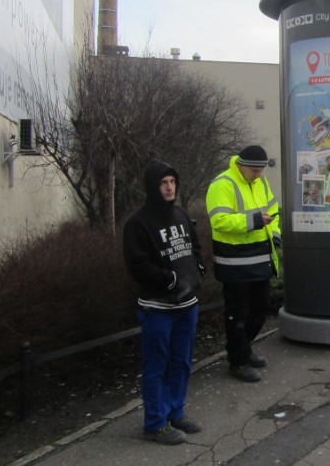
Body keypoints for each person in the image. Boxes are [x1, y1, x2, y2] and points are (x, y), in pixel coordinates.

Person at [123, 158, 205, 445]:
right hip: (157, 308)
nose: (169, 187)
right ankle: (155, 424)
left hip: (187, 305)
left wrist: (198, 272)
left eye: (172, 182)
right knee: (157, 366)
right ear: (152, 186)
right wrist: (168, 280)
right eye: (163, 183)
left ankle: (175, 412)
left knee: (181, 362)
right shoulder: (138, 223)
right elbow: (138, 265)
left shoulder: (181, 214)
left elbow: (193, 247)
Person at [206, 146, 281, 382]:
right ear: (241, 165)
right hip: (234, 260)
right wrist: (255, 221)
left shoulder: (261, 183)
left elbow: (273, 211)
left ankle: (243, 349)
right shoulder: (222, 184)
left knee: (260, 309)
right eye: (254, 170)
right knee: (237, 313)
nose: (258, 175)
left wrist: (275, 232)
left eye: (260, 171)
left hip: (259, 257)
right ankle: (237, 361)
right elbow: (219, 221)